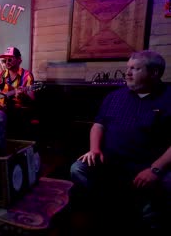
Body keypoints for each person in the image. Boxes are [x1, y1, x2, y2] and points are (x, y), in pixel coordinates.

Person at [70, 50, 171, 233]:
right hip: (112, 160)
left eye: (135, 68)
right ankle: (105, 204)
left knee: (168, 184)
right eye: (128, 68)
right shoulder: (115, 96)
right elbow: (98, 125)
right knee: (78, 168)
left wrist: (156, 169)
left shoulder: (168, 98)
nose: (128, 73)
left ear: (154, 73)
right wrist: (95, 150)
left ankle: (150, 220)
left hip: (150, 165)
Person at [0, 46, 36, 139]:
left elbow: (32, 99)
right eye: (5, 60)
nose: (7, 62)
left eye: (10, 59)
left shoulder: (27, 75)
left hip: (18, 113)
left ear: (19, 60)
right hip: (0, 112)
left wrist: (23, 95)